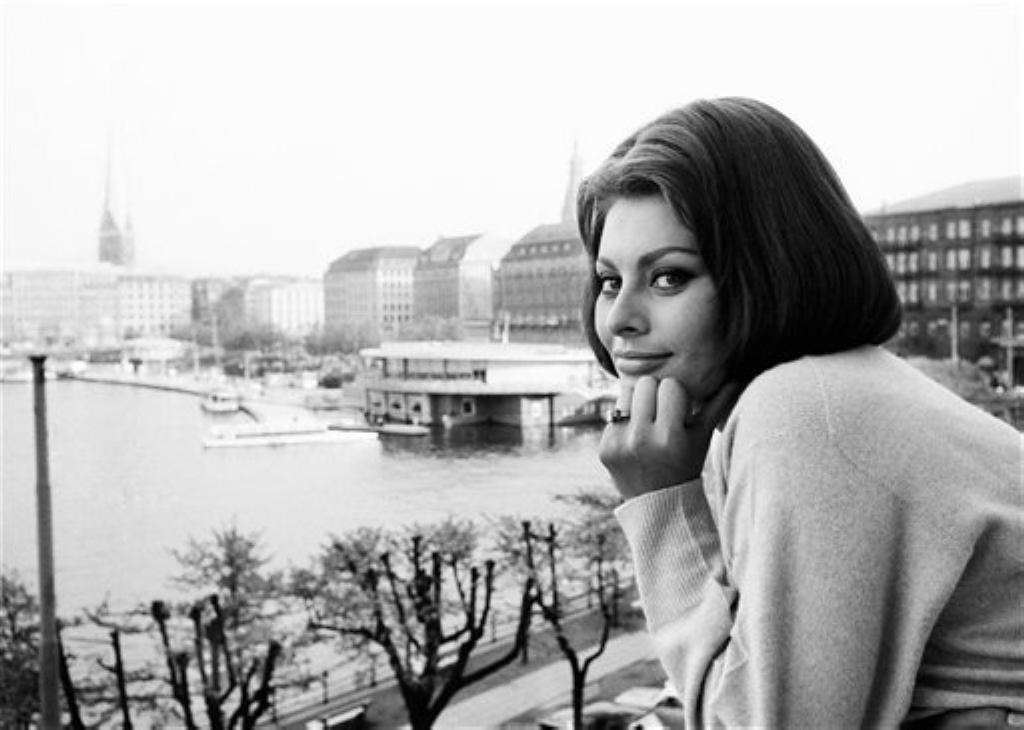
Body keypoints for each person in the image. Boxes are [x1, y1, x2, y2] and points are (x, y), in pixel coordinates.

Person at [577, 97, 1023, 727]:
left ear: (768, 269)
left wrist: (662, 505)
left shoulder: (805, 414)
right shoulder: (831, 394)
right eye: (609, 281)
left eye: (669, 277)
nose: (620, 318)